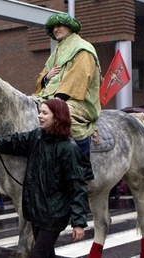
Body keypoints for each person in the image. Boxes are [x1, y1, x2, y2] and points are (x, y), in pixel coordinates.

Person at [0, 98, 88, 257]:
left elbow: (77, 187)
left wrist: (79, 223)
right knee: (46, 253)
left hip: (54, 215)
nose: (39, 116)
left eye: (45, 113)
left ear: (57, 117)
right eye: (40, 112)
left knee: (38, 253)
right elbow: (18, 141)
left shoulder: (68, 148)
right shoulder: (37, 136)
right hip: (36, 211)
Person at [34, 13, 101, 181]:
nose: (56, 29)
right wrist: (47, 77)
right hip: (52, 98)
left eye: (60, 26)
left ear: (70, 27)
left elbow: (78, 79)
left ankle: (83, 165)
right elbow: (43, 77)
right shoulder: (57, 51)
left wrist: (56, 102)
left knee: (64, 116)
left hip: (79, 101)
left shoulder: (83, 49)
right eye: (53, 27)